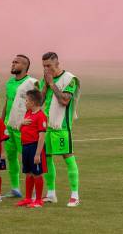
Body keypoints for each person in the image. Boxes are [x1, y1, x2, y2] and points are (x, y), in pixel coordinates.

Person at [41, 52, 81, 207]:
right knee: (48, 158)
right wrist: (45, 85)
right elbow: (40, 101)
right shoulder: (46, 79)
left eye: (49, 66)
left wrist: (51, 84)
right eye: (44, 66)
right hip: (47, 126)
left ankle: (75, 195)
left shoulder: (69, 79)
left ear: (57, 63)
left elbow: (64, 100)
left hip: (61, 126)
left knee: (68, 157)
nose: (46, 69)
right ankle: (51, 193)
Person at [2, 54, 38, 198]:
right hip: (9, 125)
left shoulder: (32, 83)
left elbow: (37, 104)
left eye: (16, 62)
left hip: (24, 127)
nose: (13, 64)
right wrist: (1, 120)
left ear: (24, 66)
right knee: (10, 157)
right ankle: (15, 188)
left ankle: (35, 190)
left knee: (27, 159)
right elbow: (7, 102)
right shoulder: (10, 83)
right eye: (12, 62)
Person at [17, 89, 47, 208]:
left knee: (36, 173)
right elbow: (20, 129)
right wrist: (22, 123)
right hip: (26, 146)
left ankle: (39, 200)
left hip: (35, 147)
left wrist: (37, 154)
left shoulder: (41, 116)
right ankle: (28, 198)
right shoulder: (28, 113)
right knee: (28, 173)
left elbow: (41, 137)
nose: (25, 102)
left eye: (27, 100)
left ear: (33, 102)